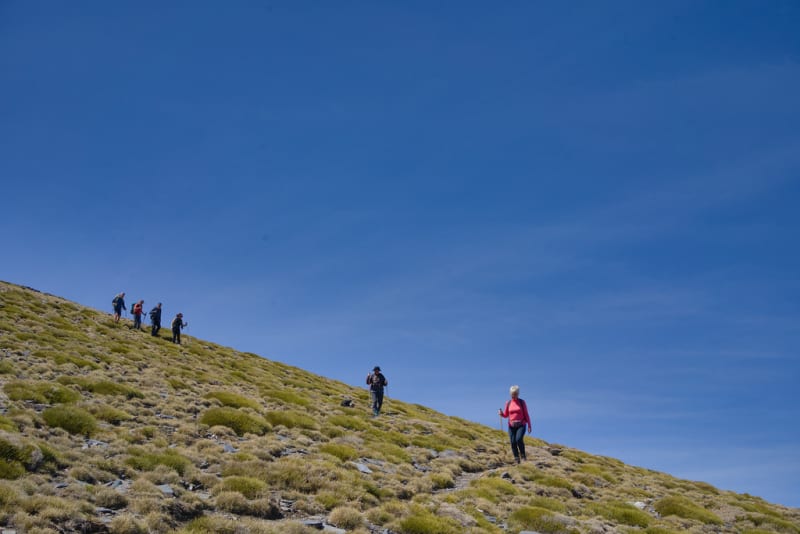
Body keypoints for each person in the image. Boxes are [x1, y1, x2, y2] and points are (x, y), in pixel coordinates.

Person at [498, 385, 532, 464]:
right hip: (511, 425)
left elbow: (526, 414)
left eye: (516, 394)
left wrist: (529, 425)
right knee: (513, 442)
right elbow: (506, 415)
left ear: (518, 394)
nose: (514, 396)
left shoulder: (522, 402)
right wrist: (501, 413)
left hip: (521, 424)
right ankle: (516, 458)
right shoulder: (508, 403)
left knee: (519, 439)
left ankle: (523, 456)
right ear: (510, 394)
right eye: (513, 394)